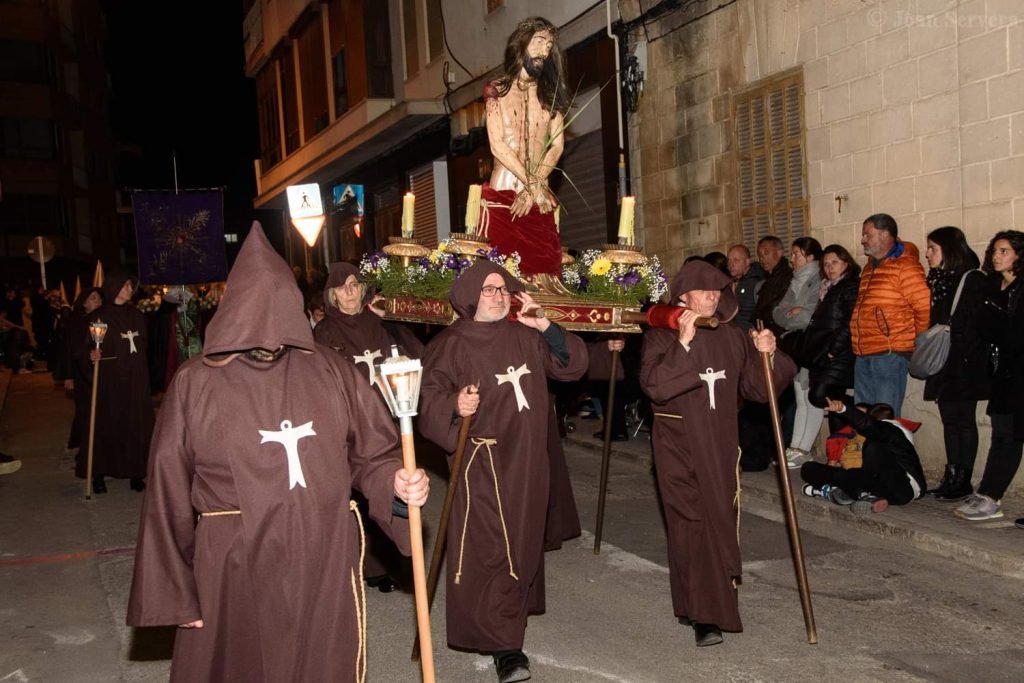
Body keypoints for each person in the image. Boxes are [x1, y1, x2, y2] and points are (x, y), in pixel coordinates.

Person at [126, 224, 429, 682]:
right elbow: (167, 489)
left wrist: (395, 483)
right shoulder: (196, 382)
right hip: (235, 559)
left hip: (322, 551)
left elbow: (373, 453)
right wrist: (175, 591)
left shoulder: (330, 369)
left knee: (320, 663)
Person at [417, 260, 587, 683]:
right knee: (493, 550)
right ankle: (506, 647)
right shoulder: (451, 343)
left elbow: (571, 365)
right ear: (471, 296)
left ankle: (509, 619)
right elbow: (428, 399)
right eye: (489, 289)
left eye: (503, 289)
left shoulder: (525, 335)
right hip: (482, 463)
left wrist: (545, 325)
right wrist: (455, 405)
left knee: (523, 543)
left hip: (528, 461)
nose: (498, 296)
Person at [640, 261, 796, 647]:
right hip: (679, 447)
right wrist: (683, 344)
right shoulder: (662, 335)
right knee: (692, 526)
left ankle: (693, 605)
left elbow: (757, 390)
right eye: (703, 290)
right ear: (683, 295)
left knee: (715, 522)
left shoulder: (732, 335)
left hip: (722, 446)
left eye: (717, 290)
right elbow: (654, 385)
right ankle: (706, 616)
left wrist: (767, 354)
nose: (712, 296)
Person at [314, 261, 425, 592]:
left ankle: (390, 565)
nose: (349, 291)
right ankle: (366, 565)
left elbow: (416, 356)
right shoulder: (324, 333)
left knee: (390, 487)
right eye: (342, 287)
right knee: (357, 493)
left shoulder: (380, 323)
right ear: (332, 295)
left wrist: (391, 322)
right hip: (348, 424)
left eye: (354, 284)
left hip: (387, 420)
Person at [481, 17, 568, 280]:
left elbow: (557, 145)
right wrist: (531, 185)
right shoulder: (496, 90)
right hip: (505, 189)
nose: (544, 51)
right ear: (521, 44)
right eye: (539, 42)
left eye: (549, 46)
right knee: (500, 274)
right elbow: (497, 145)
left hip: (539, 195)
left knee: (544, 276)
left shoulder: (550, 95)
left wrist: (534, 187)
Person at [955, 230, 1024, 521]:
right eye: (994, 251)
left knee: (1012, 436)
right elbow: (983, 327)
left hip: (1020, 373)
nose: (996, 256)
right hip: (1003, 373)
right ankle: (988, 495)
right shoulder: (993, 286)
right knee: (1002, 435)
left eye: (1004, 251)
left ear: (1019, 255)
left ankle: (990, 496)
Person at [920, 227, 988, 502]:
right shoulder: (939, 279)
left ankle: (963, 480)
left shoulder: (972, 278)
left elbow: (977, 324)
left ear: (948, 249)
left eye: (933, 248)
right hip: (944, 362)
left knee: (963, 420)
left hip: (964, 362)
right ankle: (951, 475)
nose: (927, 254)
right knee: (949, 420)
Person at [77, 273, 154, 493]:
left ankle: (136, 472)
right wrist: (90, 355)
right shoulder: (98, 317)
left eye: (130, 286)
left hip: (136, 379)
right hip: (109, 380)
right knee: (106, 425)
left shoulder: (137, 316)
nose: (129, 289)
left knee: (135, 425)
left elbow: (144, 345)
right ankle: (99, 474)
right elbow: (85, 347)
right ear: (114, 287)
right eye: (125, 285)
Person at [850, 213, 930, 415]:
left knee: (885, 416)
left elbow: (923, 306)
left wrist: (918, 342)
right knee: (862, 416)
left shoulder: (906, 266)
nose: (863, 240)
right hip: (863, 351)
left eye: (868, 235)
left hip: (889, 353)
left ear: (884, 235)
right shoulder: (869, 267)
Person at [801, 398, 926, 513]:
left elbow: (870, 426)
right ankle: (857, 494)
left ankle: (845, 491)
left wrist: (843, 409)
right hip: (882, 488)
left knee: (872, 448)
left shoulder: (893, 431)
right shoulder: (896, 437)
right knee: (811, 468)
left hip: (901, 488)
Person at [774, 237, 823, 468]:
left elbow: (809, 315)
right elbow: (777, 313)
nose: (791, 258)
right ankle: (795, 447)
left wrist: (795, 313)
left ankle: (804, 449)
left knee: (810, 396)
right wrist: (791, 313)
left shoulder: (818, 279)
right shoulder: (795, 281)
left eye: (796, 254)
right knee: (800, 397)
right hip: (795, 344)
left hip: (811, 344)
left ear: (810, 257)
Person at [801, 245, 861, 430]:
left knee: (819, 396)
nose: (829, 267)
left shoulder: (849, 286)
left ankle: (860, 408)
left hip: (839, 353)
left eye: (835, 262)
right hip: (824, 353)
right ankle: (838, 442)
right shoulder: (828, 288)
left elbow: (850, 320)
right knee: (833, 402)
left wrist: (834, 349)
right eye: (826, 264)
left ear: (846, 263)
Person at [65, 287, 104, 451]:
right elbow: (69, 350)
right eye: (93, 298)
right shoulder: (77, 323)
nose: (98, 301)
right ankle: (82, 443)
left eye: (99, 298)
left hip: (102, 371)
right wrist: (68, 376)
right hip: (82, 373)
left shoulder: (104, 321)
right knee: (85, 409)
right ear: (84, 303)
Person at [752, 235, 792, 334]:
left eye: (766, 252)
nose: (762, 258)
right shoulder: (770, 278)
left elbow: (774, 308)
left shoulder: (785, 277)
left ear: (779, 253)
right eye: (759, 254)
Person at [727, 244, 765, 331]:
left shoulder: (757, 283)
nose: (730, 265)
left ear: (747, 262)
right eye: (728, 261)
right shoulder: (732, 281)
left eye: (736, 260)